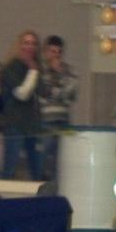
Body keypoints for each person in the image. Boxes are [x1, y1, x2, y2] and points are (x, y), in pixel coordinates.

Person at [0, 30, 43, 180]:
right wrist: (33, 71)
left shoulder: (37, 67)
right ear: (19, 45)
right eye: (26, 43)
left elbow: (42, 92)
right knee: (10, 168)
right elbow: (22, 94)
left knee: (36, 170)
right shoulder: (10, 68)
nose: (30, 47)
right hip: (15, 123)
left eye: (33, 43)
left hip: (32, 124)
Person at [38, 35, 77, 182]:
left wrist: (58, 85)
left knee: (61, 158)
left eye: (59, 52)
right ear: (45, 52)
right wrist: (59, 86)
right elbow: (44, 92)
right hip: (45, 120)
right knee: (42, 156)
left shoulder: (68, 70)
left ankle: (56, 186)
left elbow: (71, 94)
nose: (56, 55)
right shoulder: (40, 69)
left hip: (63, 120)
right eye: (52, 51)